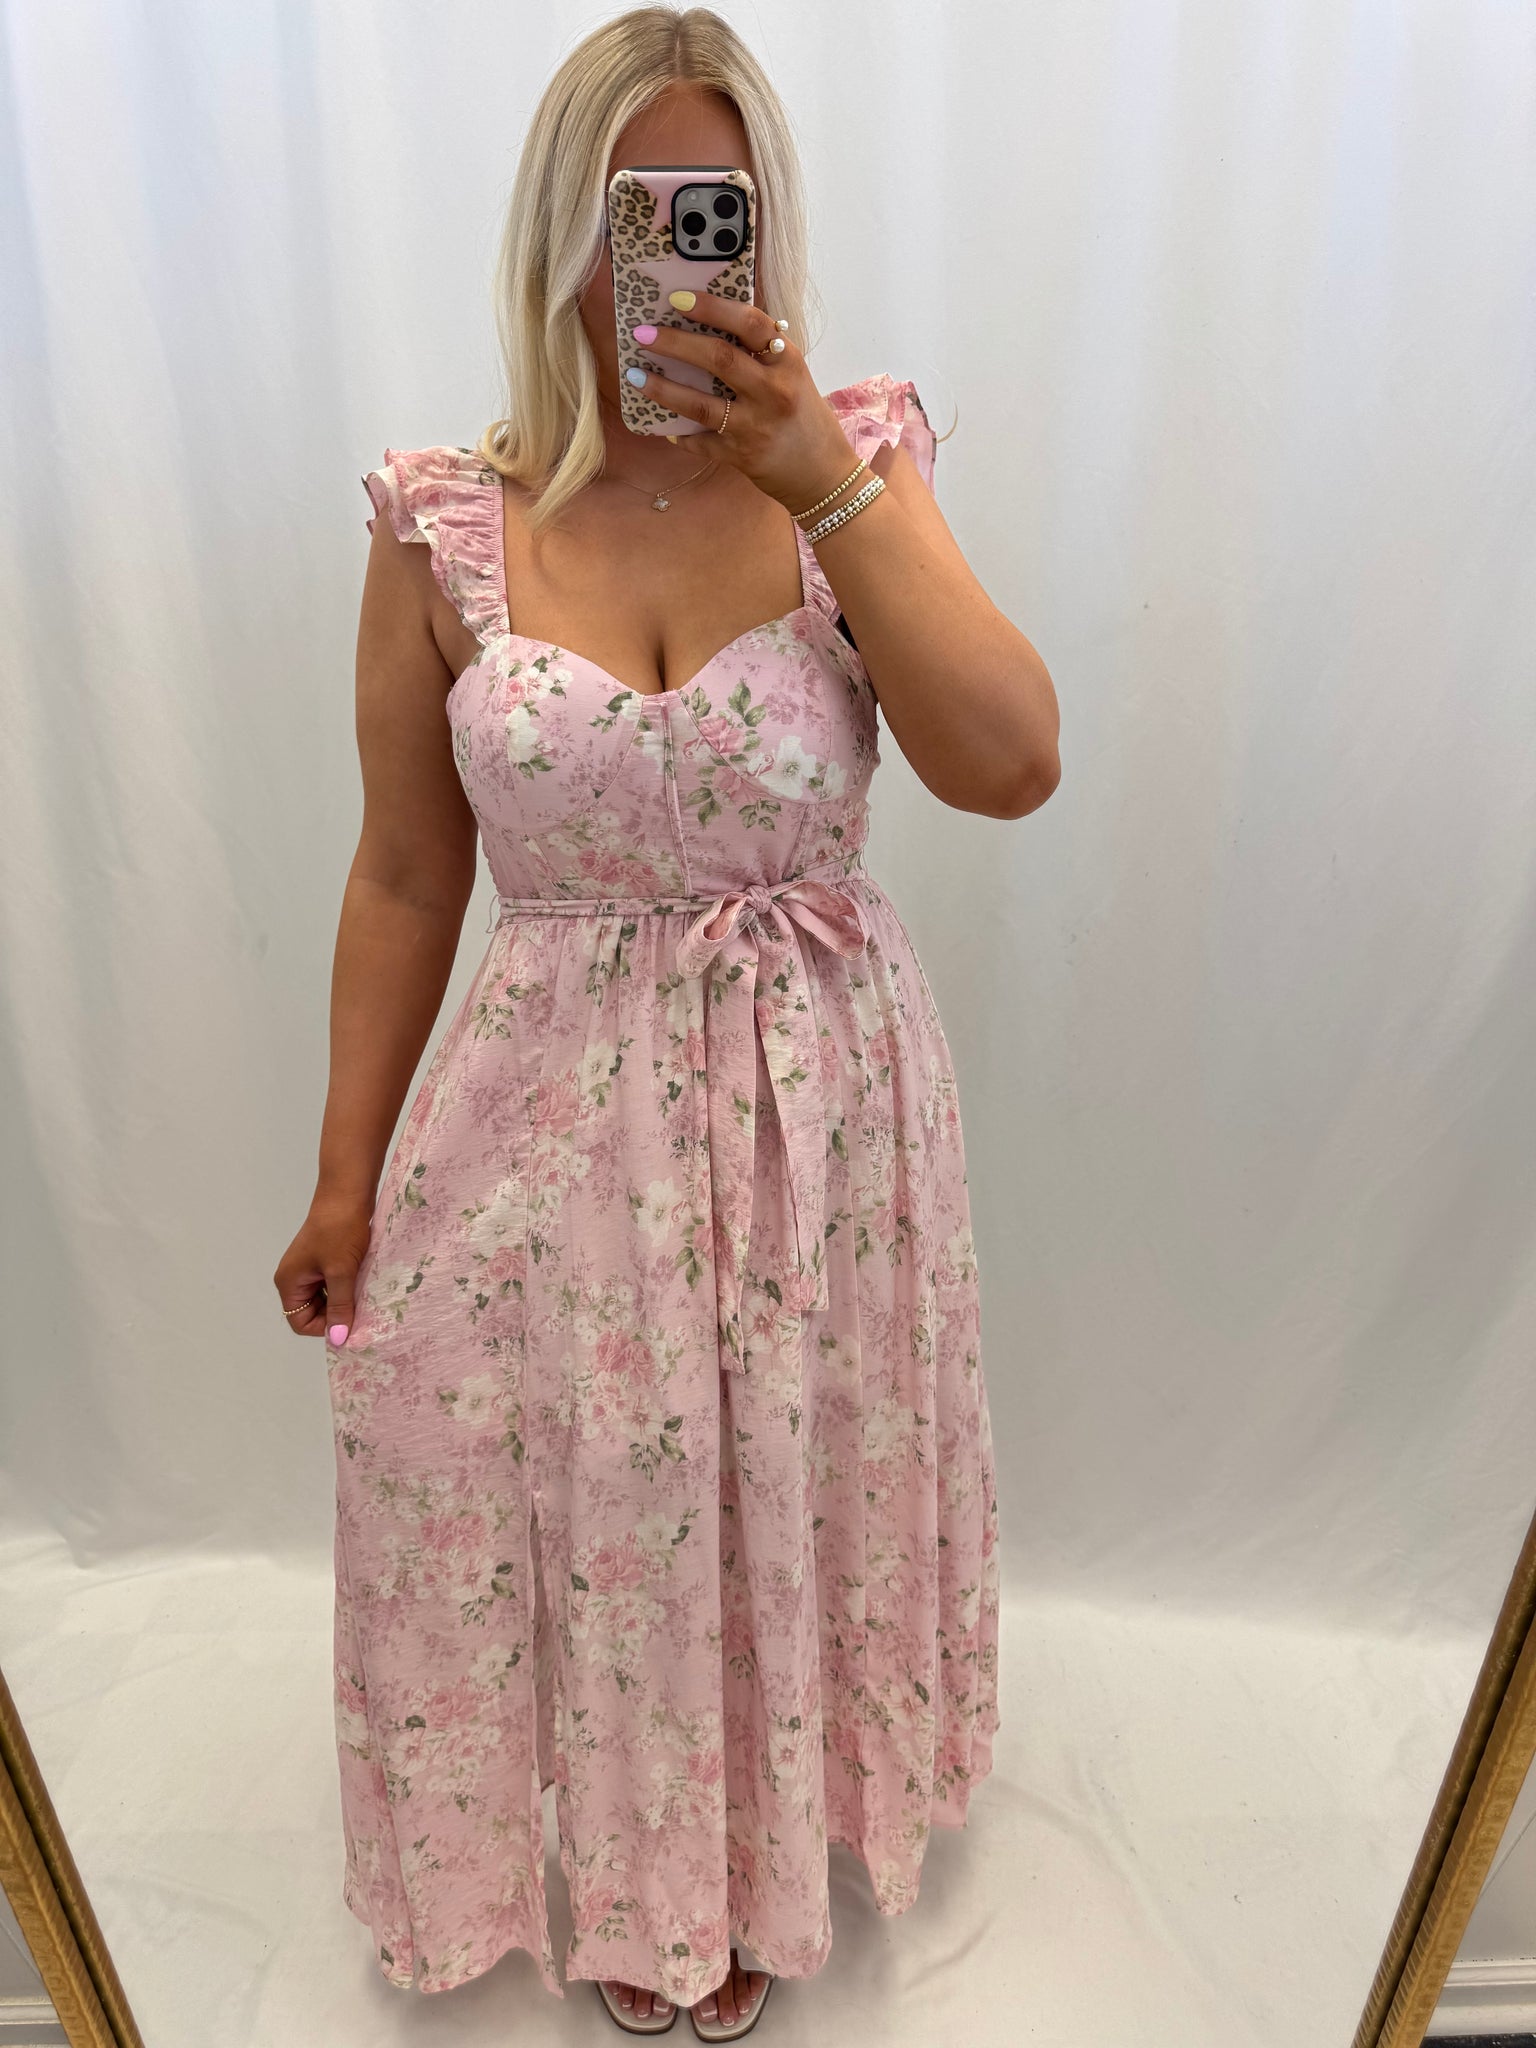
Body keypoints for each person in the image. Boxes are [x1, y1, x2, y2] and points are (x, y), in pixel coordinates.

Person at [273, 6, 1059, 2038]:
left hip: (816, 1110)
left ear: (765, 225)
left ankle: (762, 1851)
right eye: (636, 213)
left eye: (717, 210)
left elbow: (1011, 762)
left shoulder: (852, 465)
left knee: (782, 1466)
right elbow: (405, 873)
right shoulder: (445, 522)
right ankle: (633, 1862)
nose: (679, 255)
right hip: (546, 1111)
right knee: (600, 1482)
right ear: (562, 231)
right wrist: (345, 1178)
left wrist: (823, 483)